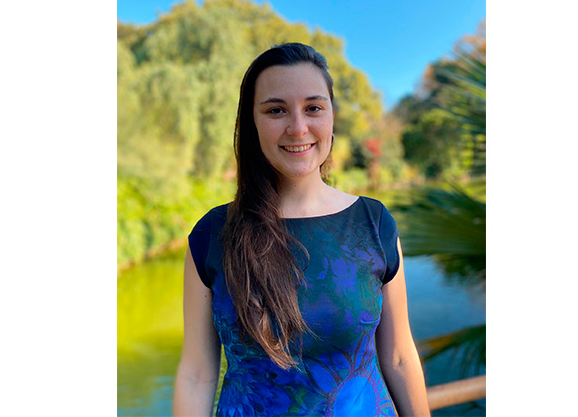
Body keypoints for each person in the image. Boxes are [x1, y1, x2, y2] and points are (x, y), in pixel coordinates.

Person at [173, 43, 430, 416]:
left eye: (313, 108)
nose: (298, 128)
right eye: (276, 110)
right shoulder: (212, 235)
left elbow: (399, 356)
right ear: (252, 123)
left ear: (331, 117)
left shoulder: (373, 224)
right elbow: (197, 374)